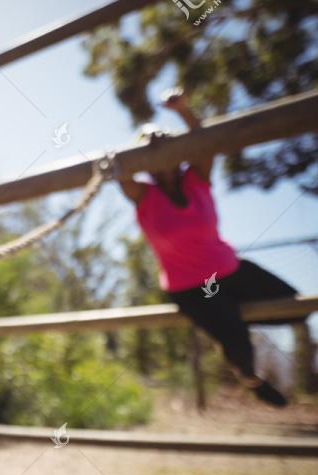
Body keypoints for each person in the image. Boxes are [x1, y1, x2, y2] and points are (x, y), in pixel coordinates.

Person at [116, 86, 304, 407]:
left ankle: (229, 317)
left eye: (169, 153)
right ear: (147, 163)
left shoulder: (196, 179)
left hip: (230, 269)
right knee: (239, 346)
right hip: (190, 287)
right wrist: (146, 144)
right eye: (154, 158)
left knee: (299, 308)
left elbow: (206, 143)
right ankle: (252, 380)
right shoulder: (143, 196)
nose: (163, 162)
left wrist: (184, 111)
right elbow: (120, 171)